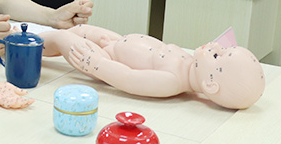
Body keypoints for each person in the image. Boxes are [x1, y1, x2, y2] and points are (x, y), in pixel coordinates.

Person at [40, 24, 265, 109]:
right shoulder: (190, 64)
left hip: (105, 59)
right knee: (79, 30)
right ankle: (39, 47)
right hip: (115, 43)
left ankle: (27, 47)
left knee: (63, 38)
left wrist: (97, 64)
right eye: (223, 48)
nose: (215, 46)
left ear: (210, 84)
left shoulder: (172, 82)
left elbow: (128, 78)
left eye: (217, 55)